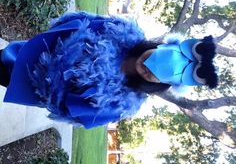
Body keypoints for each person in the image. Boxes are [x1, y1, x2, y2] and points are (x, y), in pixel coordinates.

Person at [0, 11, 218, 128]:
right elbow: (79, 21)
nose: (147, 69)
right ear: (158, 46)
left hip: (29, 85)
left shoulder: (120, 104)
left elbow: (72, 113)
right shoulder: (121, 31)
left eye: (154, 75)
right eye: (153, 59)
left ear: (157, 84)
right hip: (31, 52)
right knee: (7, 55)